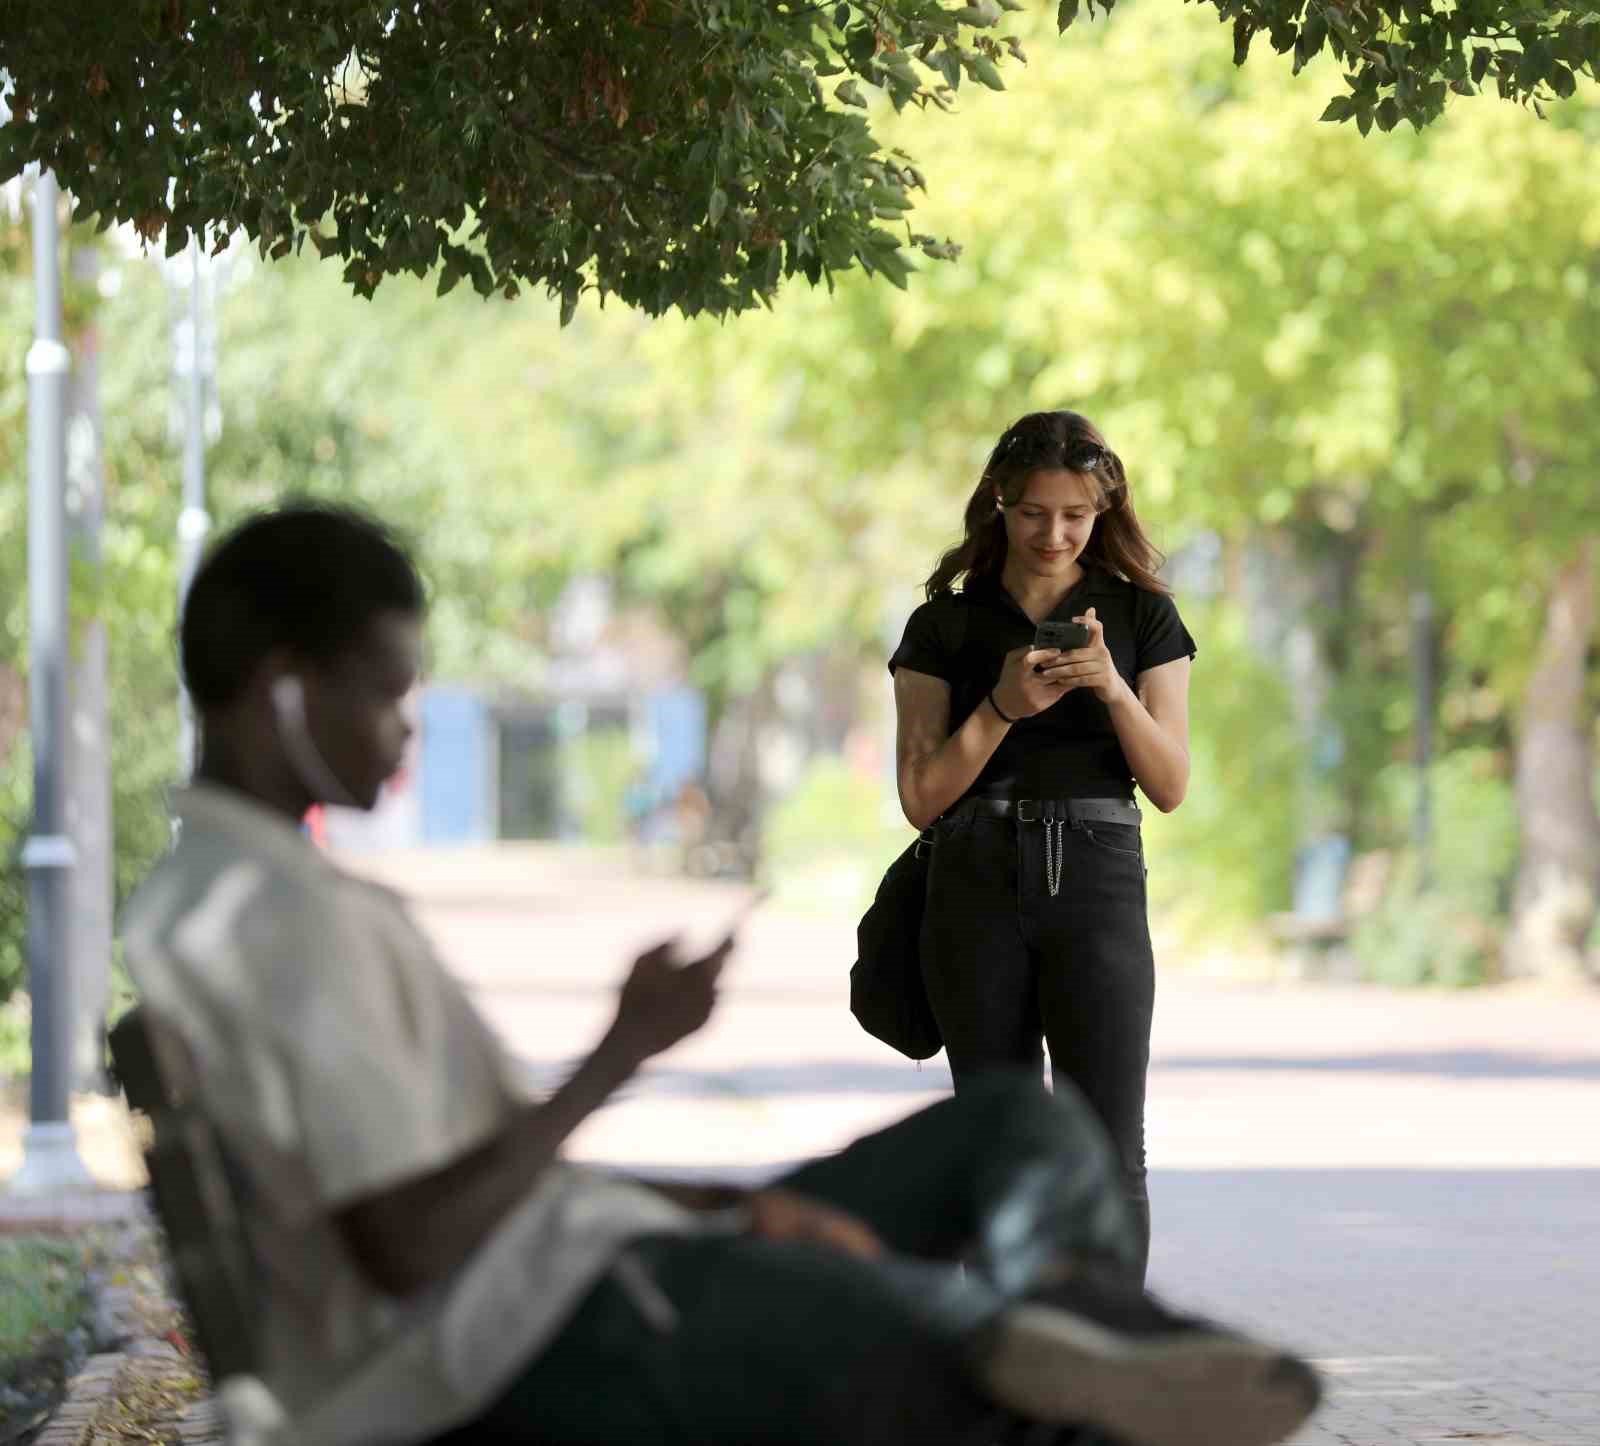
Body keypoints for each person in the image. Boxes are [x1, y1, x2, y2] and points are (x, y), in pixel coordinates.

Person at [121, 502, 1317, 1446]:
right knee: (989, 1374)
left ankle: (1069, 1328)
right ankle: (1043, 1346)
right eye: (386, 695)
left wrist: (727, 1209)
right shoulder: (265, 918)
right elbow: (409, 1246)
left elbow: (462, 1194)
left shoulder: (251, 898)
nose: (404, 732)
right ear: (283, 692)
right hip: (528, 1345)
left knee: (1011, 1131)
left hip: (580, 1272)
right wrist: (619, 1054)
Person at [890, 411, 1196, 1283]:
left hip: (1098, 881)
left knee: (1107, 1147)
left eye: (1076, 515)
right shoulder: (942, 627)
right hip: (975, 884)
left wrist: (1111, 689)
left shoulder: (1143, 616)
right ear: (999, 503)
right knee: (998, 1140)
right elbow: (921, 799)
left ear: (1103, 510)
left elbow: (1171, 784)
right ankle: (1005, 1364)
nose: (1055, 534)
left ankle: (1107, 1361)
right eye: (1033, 513)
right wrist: (1001, 708)